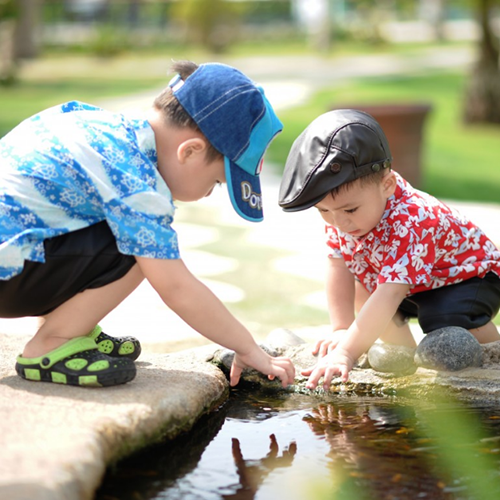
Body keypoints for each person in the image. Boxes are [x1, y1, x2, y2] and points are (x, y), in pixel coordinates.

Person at [0, 60, 295, 389]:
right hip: (7, 278)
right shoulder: (137, 180)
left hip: (14, 260)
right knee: (145, 251)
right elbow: (177, 288)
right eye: (216, 182)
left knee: (112, 227)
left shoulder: (96, 124)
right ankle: (53, 342)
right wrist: (248, 347)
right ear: (191, 151)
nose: (210, 193)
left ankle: (68, 326)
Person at [278, 109, 500, 390]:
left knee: (443, 319)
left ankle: (493, 354)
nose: (339, 222)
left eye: (350, 209)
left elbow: (392, 291)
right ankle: (404, 358)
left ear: (387, 185)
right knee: (363, 287)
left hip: (470, 279)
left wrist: (346, 352)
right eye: (323, 210)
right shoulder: (342, 216)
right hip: (413, 283)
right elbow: (338, 266)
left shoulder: (413, 219)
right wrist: (341, 330)